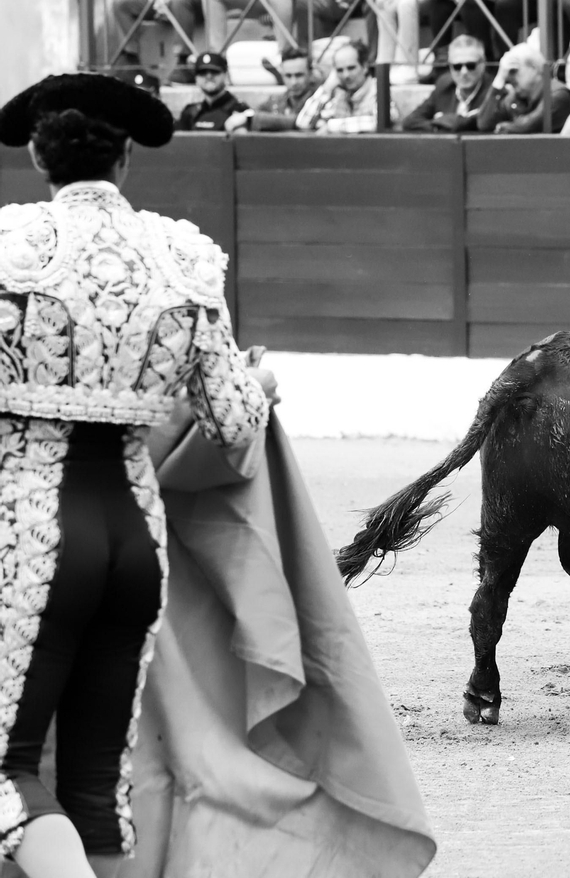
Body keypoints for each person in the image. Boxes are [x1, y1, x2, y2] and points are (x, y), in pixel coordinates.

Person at [0, 72, 269, 875]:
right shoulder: (182, 254)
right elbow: (237, 421)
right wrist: (261, 384)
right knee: (93, 782)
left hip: (32, 529)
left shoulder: (8, 247)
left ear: (42, 160)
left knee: (5, 767)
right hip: (132, 537)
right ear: (125, 159)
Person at [478, 42, 570, 132]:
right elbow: (484, 124)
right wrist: (499, 79)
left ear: (534, 68)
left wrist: (502, 126)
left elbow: (528, 127)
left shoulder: (558, 95)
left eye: (513, 70)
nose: (509, 77)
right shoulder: (515, 97)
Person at [296, 41, 396, 131]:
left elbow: (380, 122)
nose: (346, 75)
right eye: (340, 70)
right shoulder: (337, 92)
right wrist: (326, 88)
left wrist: (331, 126)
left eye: (351, 68)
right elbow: (303, 123)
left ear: (365, 67)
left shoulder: (378, 88)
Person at [401, 34, 494, 131]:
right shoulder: (444, 85)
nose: (464, 72)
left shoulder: (493, 90)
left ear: (483, 64)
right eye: (457, 66)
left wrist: (453, 122)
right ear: (450, 66)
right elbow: (410, 122)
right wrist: (440, 126)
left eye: (470, 65)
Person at [225, 48, 320, 131]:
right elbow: (255, 112)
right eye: (288, 76)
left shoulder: (321, 100)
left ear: (310, 74)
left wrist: (250, 117)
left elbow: (301, 120)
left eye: (299, 75)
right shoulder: (276, 101)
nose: (293, 82)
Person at [175, 52, 250, 130]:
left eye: (214, 72)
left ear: (225, 74)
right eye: (202, 73)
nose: (209, 76)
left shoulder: (240, 111)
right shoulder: (190, 112)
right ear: (196, 78)